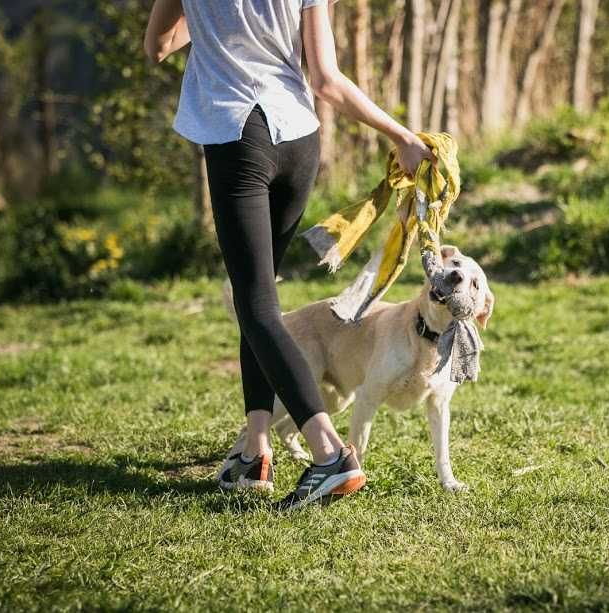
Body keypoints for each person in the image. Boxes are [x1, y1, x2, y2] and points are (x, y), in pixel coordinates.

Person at [144, 0, 434, 510]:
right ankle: (255, 451)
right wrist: (403, 136)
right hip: (299, 142)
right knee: (259, 298)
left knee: (254, 304)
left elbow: (159, 46)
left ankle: (329, 455)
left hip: (238, 138)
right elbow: (326, 80)